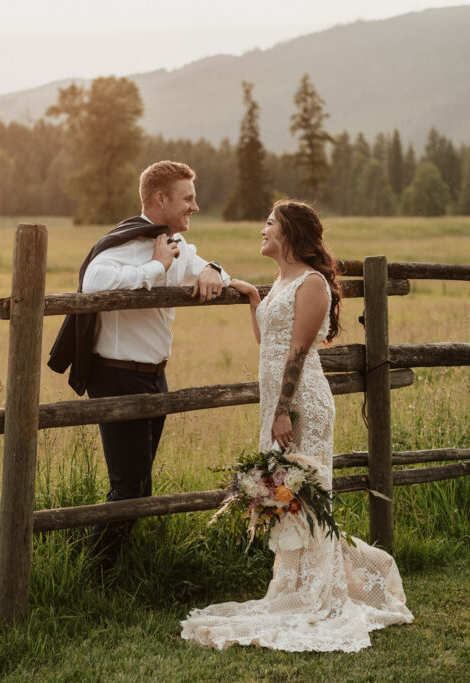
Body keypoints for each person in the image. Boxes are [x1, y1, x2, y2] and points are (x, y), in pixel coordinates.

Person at [180, 200, 413, 652]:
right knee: (287, 499)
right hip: (277, 405)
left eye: (269, 223)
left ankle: (322, 590)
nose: (262, 230)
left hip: (302, 403)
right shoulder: (281, 281)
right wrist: (252, 298)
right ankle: (292, 587)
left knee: (305, 497)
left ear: (288, 232)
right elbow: (268, 342)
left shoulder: (312, 283)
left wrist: (283, 410)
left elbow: (299, 352)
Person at [48, 160, 230, 568]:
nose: (195, 207)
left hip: (155, 377)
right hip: (116, 376)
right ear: (161, 198)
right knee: (130, 487)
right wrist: (156, 268)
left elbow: (206, 265)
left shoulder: (176, 244)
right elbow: (94, 282)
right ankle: (93, 572)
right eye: (188, 198)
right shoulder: (122, 245)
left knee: (138, 484)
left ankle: (97, 562)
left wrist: (213, 271)